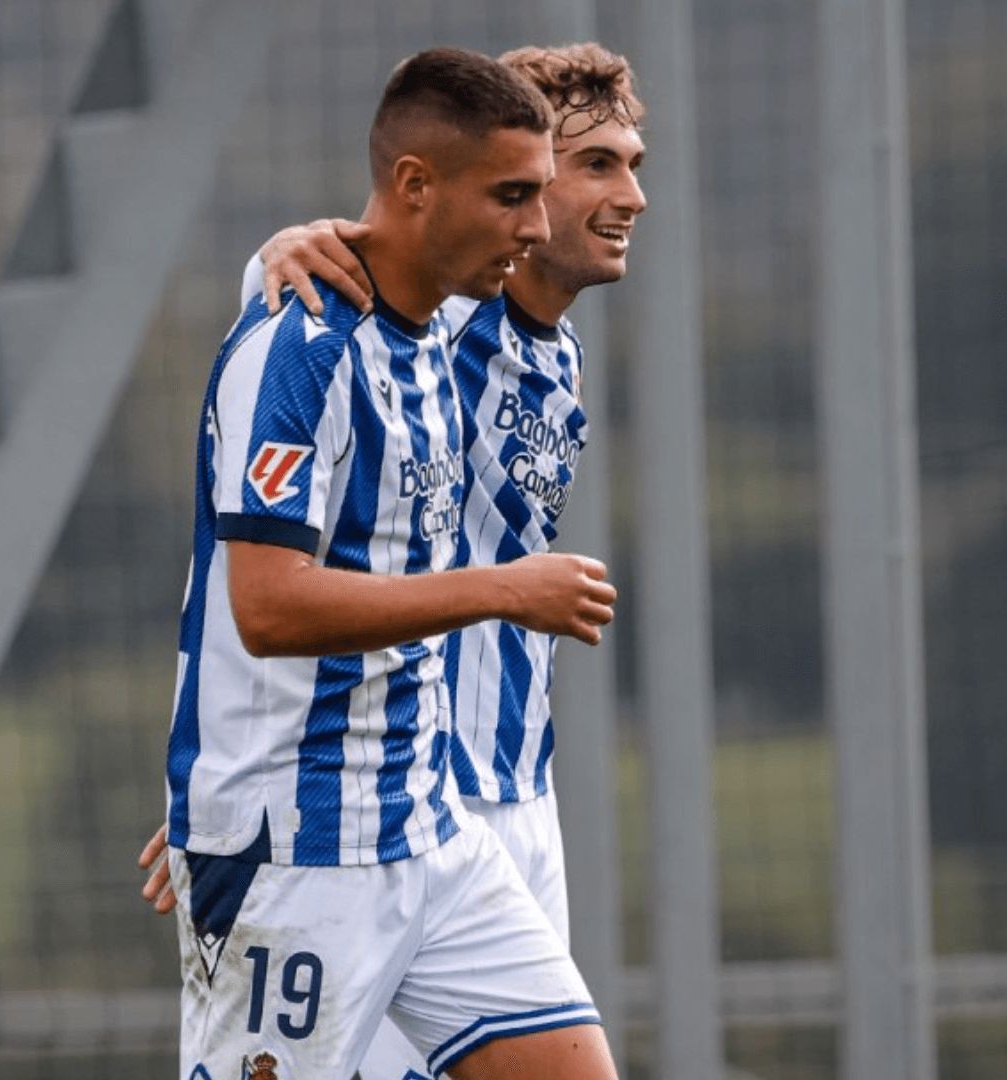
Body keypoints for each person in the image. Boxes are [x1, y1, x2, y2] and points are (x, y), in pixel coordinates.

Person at [146, 43, 647, 1080]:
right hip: (325, 829)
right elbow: (263, 593)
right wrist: (217, 799)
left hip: (465, 807)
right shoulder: (393, 321)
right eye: (585, 168)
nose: (624, 196)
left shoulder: (529, 350)